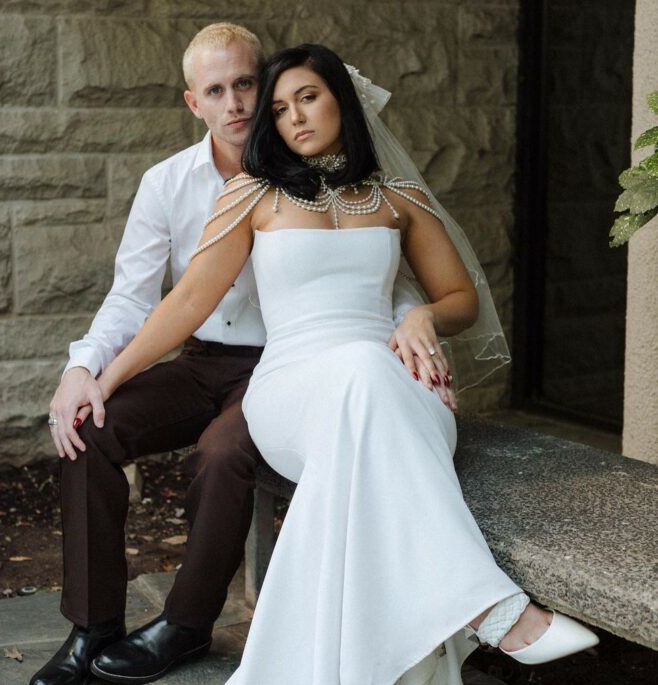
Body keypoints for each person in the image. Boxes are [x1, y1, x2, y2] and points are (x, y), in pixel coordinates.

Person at [86, 43, 601, 685]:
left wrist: (421, 318)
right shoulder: (251, 195)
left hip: (391, 387)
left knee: (366, 371)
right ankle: (489, 608)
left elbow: (460, 299)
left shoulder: (398, 197)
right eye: (279, 108)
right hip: (290, 389)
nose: (295, 117)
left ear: (342, 99)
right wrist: (104, 375)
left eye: (308, 97)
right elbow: (187, 300)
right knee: (362, 363)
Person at [31, 26, 448, 685]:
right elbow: (138, 296)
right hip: (198, 360)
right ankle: (92, 628)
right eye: (216, 91)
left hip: (288, 367)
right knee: (89, 429)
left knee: (223, 453)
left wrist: (409, 341)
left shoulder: (322, 174)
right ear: (193, 102)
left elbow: (378, 276)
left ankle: (186, 626)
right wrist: (85, 371)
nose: (236, 104)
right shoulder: (167, 183)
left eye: (247, 85)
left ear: (266, 81)